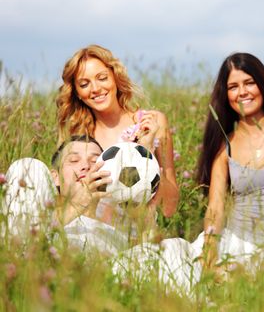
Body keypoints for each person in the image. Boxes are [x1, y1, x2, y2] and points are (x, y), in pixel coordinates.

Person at [112, 52, 264, 294]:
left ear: (262, 84)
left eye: (249, 83)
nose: (242, 92)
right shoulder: (226, 145)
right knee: (159, 261)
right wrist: (210, 256)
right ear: (227, 95)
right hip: (233, 242)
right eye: (233, 87)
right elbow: (215, 209)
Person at [56, 44, 179, 228]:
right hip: (98, 232)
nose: (96, 88)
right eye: (84, 84)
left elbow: (170, 207)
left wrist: (147, 154)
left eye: (102, 78)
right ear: (77, 93)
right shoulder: (80, 138)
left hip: (141, 232)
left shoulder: (152, 123)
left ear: (115, 77)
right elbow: (70, 202)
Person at [2, 136, 128, 255]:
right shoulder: (41, 217)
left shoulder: (115, 227)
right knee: (27, 166)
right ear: (55, 177)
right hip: (34, 261)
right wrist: (77, 205)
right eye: (74, 160)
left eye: (94, 161)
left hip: (100, 270)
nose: (86, 166)